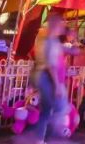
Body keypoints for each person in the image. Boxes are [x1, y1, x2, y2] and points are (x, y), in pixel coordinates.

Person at [28, 13, 68, 142]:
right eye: (62, 23)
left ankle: (40, 138)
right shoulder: (47, 38)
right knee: (54, 110)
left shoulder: (50, 39)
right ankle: (44, 137)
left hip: (48, 78)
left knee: (47, 111)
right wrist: (56, 85)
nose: (63, 26)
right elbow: (50, 65)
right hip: (48, 80)